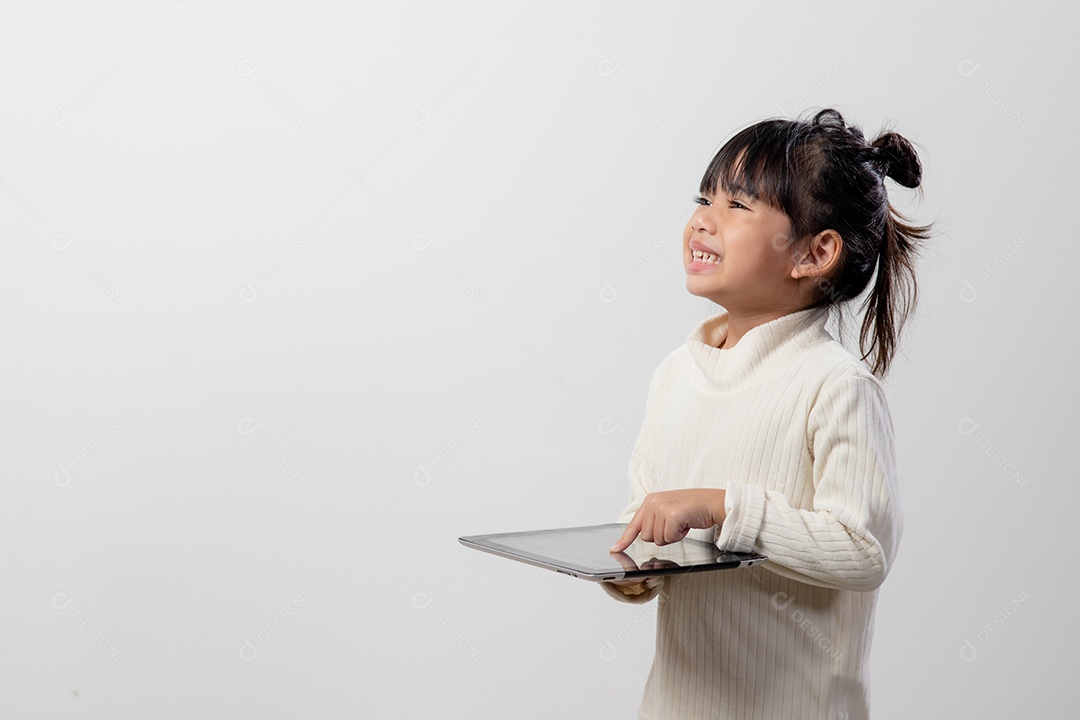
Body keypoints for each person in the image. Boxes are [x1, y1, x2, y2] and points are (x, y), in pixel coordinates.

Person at [601, 107, 934, 720]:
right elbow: (646, 513)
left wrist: (725, 507)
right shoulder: (675, 373)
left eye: (736, 207)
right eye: (703, 198)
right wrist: (632, 570)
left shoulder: (835, 385)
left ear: (813, 253)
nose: (702, 220)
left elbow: (863, 552)